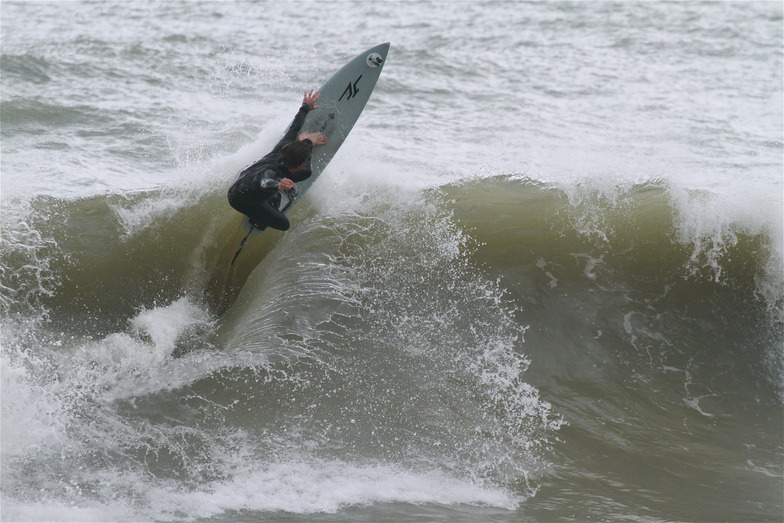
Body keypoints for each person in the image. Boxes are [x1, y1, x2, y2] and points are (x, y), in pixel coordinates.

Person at [228, 90, 328, 231]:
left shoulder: (282, 148)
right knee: (284, 225)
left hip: (247, 174)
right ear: (300, 163)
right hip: (239, 199)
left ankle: (304, 140)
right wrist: (278, 185)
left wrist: (305, 107)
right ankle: (258, 215)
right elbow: (265, 182)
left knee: (306, 173)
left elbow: (294, 128)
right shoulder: (271, 174)